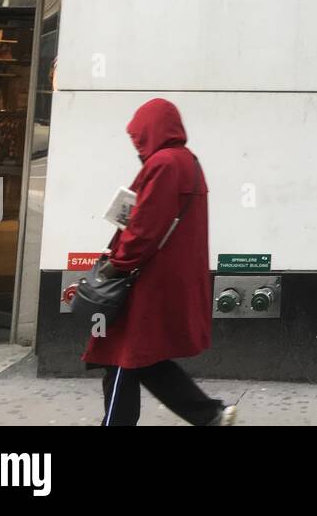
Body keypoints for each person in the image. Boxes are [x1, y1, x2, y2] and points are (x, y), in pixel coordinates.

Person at [83, 97, 236, 426]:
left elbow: (144, 228)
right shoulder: (188, 162)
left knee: (125, 356)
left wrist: (116, 263)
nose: (136, 143)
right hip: (166, 277)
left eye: (138, 135)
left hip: (147, 280)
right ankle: (209, 414)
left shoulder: (164, 164)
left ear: (151, 130)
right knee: (138, 358)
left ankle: (207, 415)